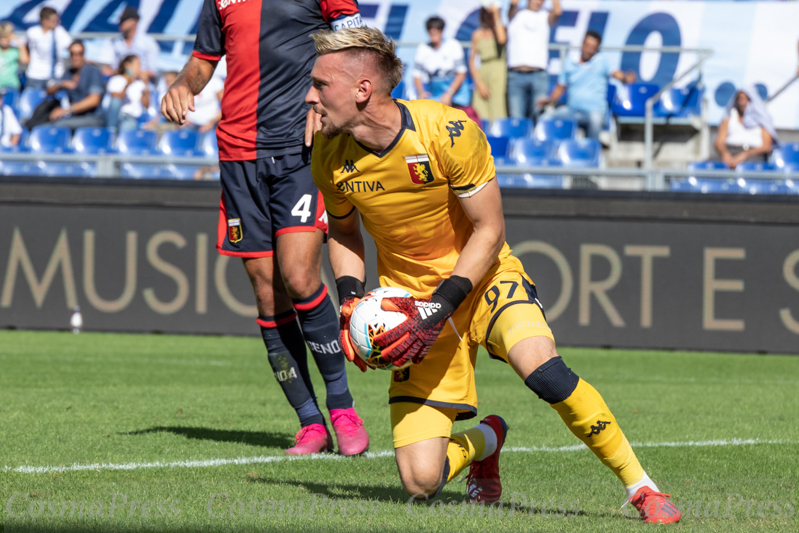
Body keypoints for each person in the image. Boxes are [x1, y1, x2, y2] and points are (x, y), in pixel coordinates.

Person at [307, 27, 681, 524]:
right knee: (421, 482)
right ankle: (487, 439)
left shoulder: (447, 131)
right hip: (409, 307)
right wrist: (351, 301)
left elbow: (489, 229)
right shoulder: (328, 157)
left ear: (362, 89)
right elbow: (345, 232)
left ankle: (642, 488)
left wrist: (439, 309)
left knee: (544, 371)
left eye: (320, 84)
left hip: (482, 279)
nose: (310, 95)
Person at [161, 0, 369, 456]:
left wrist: (327, 101)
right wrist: (181, 83)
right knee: (266, 292)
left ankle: (343, 408)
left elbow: (355, 45)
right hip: (238, 155)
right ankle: (310, 423)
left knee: (299, 277)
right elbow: (203, 60)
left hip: (300, 148)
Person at [538, 30, 636, 140]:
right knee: (546, 118)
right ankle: (548, 151)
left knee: (596, 120)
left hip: (594, 111)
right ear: (582, 43)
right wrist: (550, 99)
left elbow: (617, 74)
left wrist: (625, 78)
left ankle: (591, 152)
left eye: (593, 47)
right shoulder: (570, 61)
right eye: (587, 45)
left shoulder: (602, 61)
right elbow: (561, 87)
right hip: (571, 110)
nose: (589, 50)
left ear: (597, 48)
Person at [26, 40, 105, 130]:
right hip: (73, 117)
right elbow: (49, 91)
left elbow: (94, 100)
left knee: (55, 126)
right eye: (73, 54)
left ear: (84, 55)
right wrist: (61, 85)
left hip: (92, 118)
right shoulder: (68, 73)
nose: (76, 57)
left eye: (79, 54)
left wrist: (67, 110)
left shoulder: (93, 72)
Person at [506, 0, 561, 123]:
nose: (538, 2)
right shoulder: (516, 14)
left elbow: (557, 11)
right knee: (516, 118)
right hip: (516, 75)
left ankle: (537, 142)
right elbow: (513, 3)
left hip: (538, 74)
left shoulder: (545, 16)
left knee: (539, 116)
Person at [413, 17, 471, 110]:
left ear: (442, 30)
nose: (433, 30)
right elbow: (416, 74)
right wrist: (421, 92)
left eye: (437, 28)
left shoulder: (453, 45)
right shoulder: (423, 48)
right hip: (437, 97)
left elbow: (461, 74)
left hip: (457, 97)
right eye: (430, 28)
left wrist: (449, 94)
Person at [715, 86, 778, 168]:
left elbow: (766, 146)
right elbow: (719, 142)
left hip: (754, 158)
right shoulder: (729, 117)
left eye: (746, 99)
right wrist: (725, 154)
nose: (742, 103)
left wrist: (744, 155)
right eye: (740, 99)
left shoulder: (762, 119)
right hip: (731, 154)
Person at [468, 4, 507, 124]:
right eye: (486, 12)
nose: (488, 15)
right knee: (479, 110)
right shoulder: (477, 34)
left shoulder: (501, 29)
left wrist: (496, 13)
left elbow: (501, 39)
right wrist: (479, 83)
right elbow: (472, 60)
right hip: (483, 70)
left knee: (497, 107)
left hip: (498, 70)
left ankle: (498, 140)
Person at [23, 7, 72, 90]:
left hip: (55, 76)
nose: (57, 22)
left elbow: (72, 47)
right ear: (44, 21)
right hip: (35, 75)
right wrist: (27, 59)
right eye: (54, 21)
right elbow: (23, 45)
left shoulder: (60, 32)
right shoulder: (32, 32)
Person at [107, 6, 160, 82]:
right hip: (120, 82)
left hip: (141, 84)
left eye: (123, 20)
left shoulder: (148, 43)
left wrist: (131, 73)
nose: (120, 23)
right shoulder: (116, 42)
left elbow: (153, 71)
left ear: (133, 22)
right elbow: (113, 67)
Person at [105, 55, 150, 131]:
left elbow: (146, 105)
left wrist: (145, 85)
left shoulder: (140, 84)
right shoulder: (116, 79)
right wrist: (127, 85)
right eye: (138, 64)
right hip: (116, 115)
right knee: (115, 102)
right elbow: (116, 99)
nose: (140, 67)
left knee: (126, 128)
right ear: (127, 65)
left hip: (130, 118)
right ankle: (111, 130)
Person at [0, 22, 29, 92]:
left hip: (11, 86)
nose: (4, 40)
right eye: (2, 37)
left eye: (6, 37)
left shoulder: (14, 51)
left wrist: (19, 42)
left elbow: (25, 60)